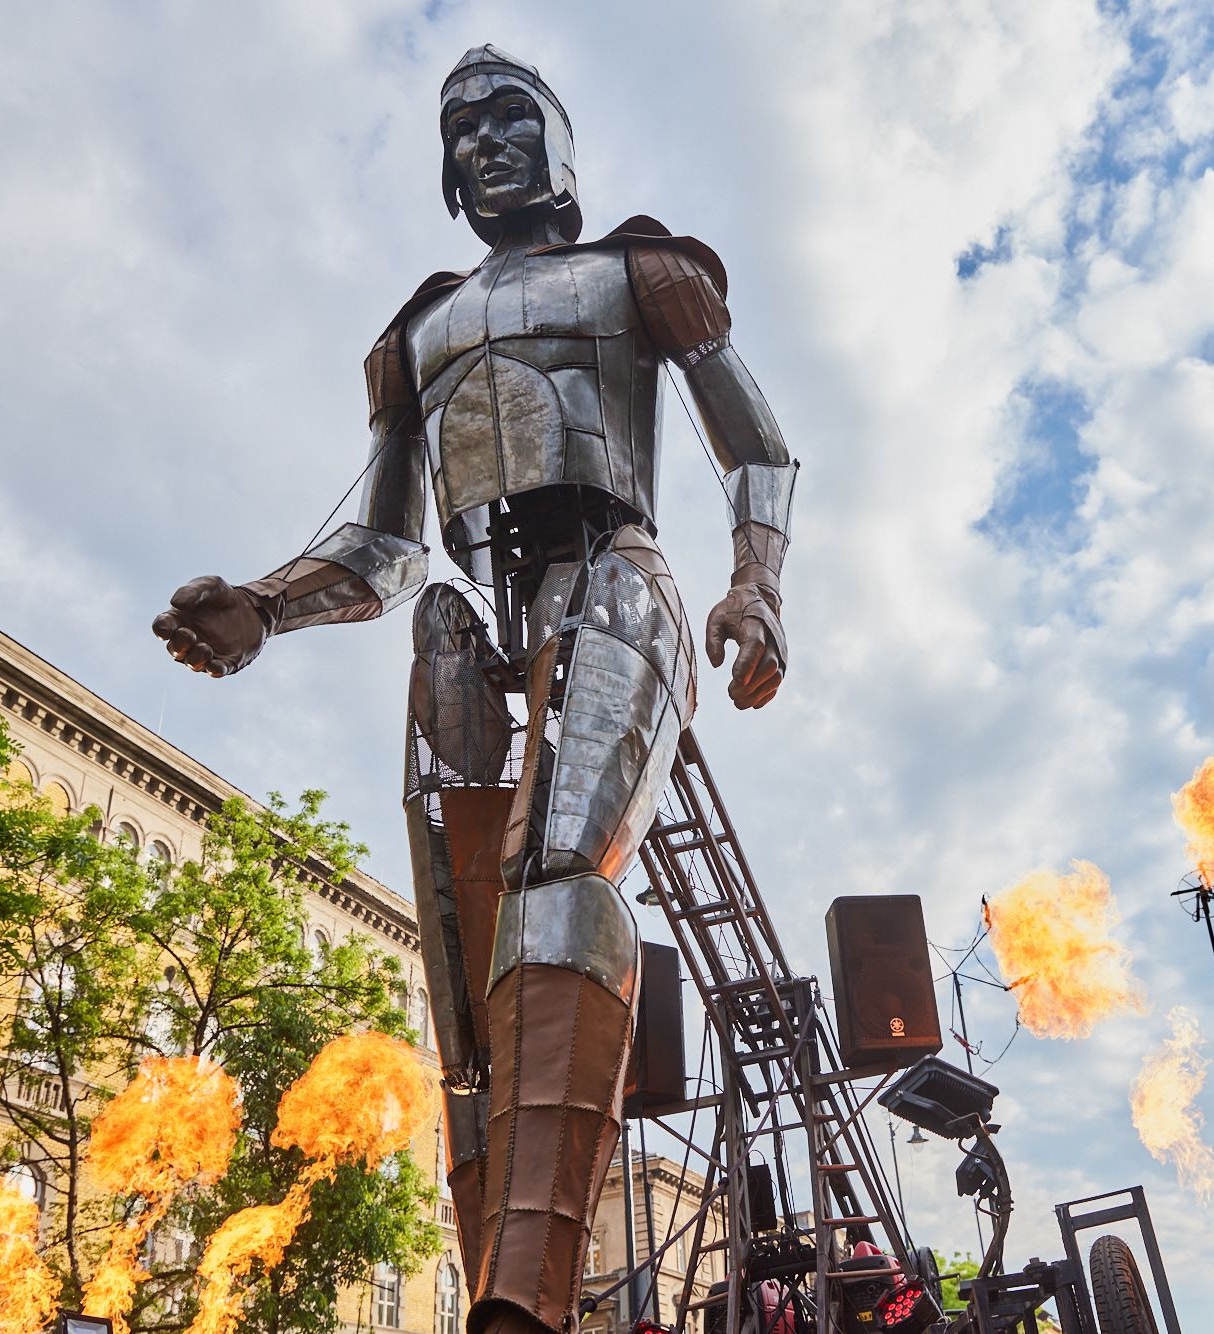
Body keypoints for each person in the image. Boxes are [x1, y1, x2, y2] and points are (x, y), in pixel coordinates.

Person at [152, 44, 799, 1334]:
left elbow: (759, 447)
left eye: (509, 117)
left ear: (561, 140)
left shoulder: (641, 273)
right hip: (481, 618)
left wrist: (756, 585)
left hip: (614, 573)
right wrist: (268, 608)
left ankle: (523, 1299)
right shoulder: (415, 336)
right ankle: (501, 1284)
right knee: (461, 948)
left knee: (561, 878)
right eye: (459, 132)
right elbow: (391, 549)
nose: (482, 143)